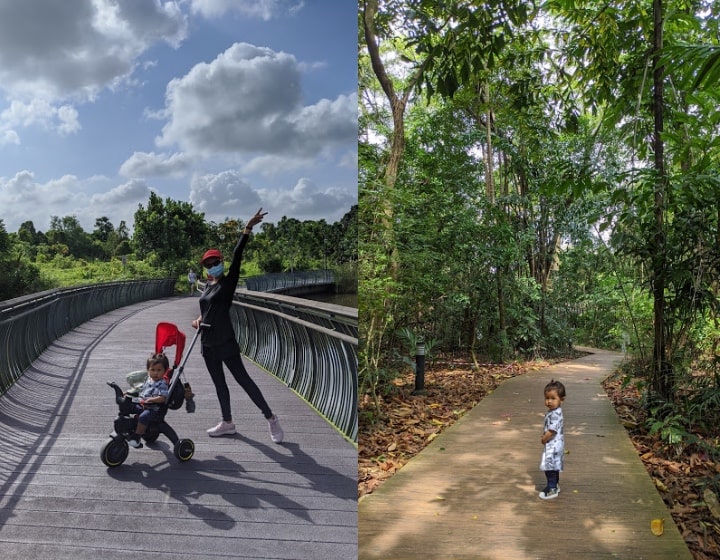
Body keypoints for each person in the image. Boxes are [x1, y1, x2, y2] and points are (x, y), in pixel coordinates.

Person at [192, 208, 283, 443]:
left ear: (221, 262)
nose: (211, 266)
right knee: (219, 385)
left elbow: (238, 253)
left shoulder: (228, 282)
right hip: (207, 343)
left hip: (226, 342)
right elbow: (206, 311)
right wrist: (198, 320)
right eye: (208, 264)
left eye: (215, 262)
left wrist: (247, 228)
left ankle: (271, 417)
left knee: (244, 380)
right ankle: (227, 422)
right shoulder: (208, 286)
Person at [126, 353, 170, 448]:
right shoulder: (148, 379)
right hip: (142, 403)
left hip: (153, 408)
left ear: (164, 371)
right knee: (127, 406)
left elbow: (163, 397)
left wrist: (152, 399)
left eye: (159, 370)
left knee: (143, 417)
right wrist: (129, 392)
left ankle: (137, 437)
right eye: (152, 370)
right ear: (148, 370)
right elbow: (140, 388)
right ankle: (127, 427)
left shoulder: (162, 383)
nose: (155, 373)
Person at [539, 379, 565, 500]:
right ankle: (554, 485)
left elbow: (552, 430)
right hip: (555, 445)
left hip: (553, 445)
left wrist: (544, 439)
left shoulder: (555, 414)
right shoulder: (554, 411)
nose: (549, 401)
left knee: (549, 466)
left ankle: (552, 488)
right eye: (547, 398)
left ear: (561, 399)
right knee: (554, 466)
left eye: (553, 398)